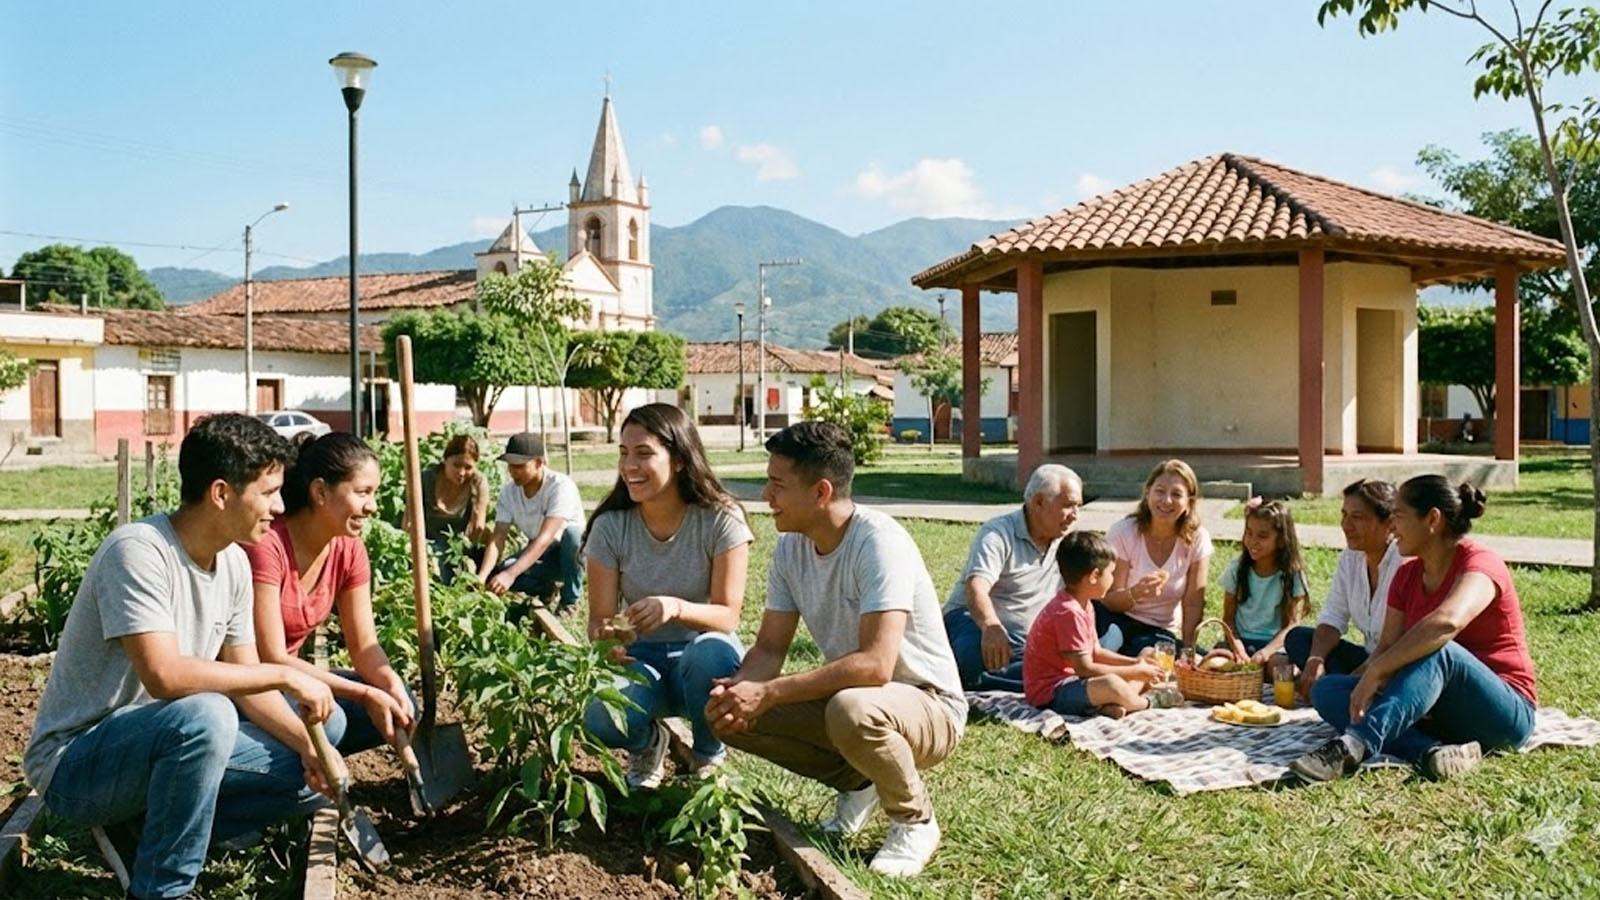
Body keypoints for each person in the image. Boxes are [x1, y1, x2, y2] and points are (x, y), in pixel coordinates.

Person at [22, 414, 337, 900]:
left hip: (161, 746)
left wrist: (312, 747)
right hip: (79, 764)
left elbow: (249, 684)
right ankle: (161, 888)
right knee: (207, 714)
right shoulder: (139, 552)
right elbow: (165, 675)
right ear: (220, 493)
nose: (278, 506)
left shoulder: (232, 559)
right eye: (269, 491)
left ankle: (142, 830)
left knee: (320, 745)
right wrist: (286, 676)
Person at [706, 421, 964, 878]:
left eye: (778, 485)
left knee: (852, 709)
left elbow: (877, 665)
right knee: (733, 718)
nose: (766, 495)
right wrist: (740, 693)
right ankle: (860, 781)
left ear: (821, 491)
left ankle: (913, 820)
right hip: (857, 699)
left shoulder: (878, 542)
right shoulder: (790, 549)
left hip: (927, 705)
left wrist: (770, 694)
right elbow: (768, 648)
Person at [1290, 476, 1537, 783]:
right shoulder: (1407, 574)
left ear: (1432, 519)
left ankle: (1352, 746)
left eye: (1399, 515)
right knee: (1328, 691)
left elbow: (1447, 622)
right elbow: (1386, 646)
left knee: (1439, 647)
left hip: (1503, 714)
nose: (1391, 525)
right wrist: (1365, 678)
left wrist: (1377, 670)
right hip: (1439, 712)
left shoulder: (1481, 563)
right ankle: (1432, 752)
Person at [580, 404, 751, 789]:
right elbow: (599, 619)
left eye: (643, 453)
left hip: (701, 662)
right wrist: (608, 637)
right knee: (598, 717)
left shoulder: (721, 519)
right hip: (642, 662)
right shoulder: (611, 527)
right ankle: (647, 743)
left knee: (710, 652)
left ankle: (707, 754)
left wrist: (674, 608)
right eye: (624, 453)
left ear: (678, 459)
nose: (629, 466)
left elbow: (728, 616)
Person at [244, 432, 415, 759]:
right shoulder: (268, 546)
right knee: (332, 718)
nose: (373, 506)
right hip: (255, 686)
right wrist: (365, 694)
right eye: (363, 492)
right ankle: (303, 765)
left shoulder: (349, 550)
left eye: (374, 493)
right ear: (320, 492)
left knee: (401, 702)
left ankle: (314, 760)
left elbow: (365, 646)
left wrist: (388, 683)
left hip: (291, 683)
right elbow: (272, 656)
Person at [942, 464, 1082, 693]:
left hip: (1028, 639)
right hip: (976, 622)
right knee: (973, 660)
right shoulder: (998, 533)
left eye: (1078, 506)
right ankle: (1062, 682)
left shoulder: (1067, 540)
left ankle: (1056, 679)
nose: (1075, 515)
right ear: (1038, 502)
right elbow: (976, 585)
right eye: (1067, 506)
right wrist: (991, 626)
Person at [1023, 531, 1172, 718]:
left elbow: (1097, 653)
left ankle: (1112, 704)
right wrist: (1134, 671)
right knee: (1111, 683)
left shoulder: (1085, 604)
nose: (1112, 579)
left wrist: (1136, 663)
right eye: (1111, 573)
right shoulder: (1068, 611)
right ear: (1094, 576)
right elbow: (1085, 669)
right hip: (1052, 692)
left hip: (1076, 683)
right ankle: (1147, 702)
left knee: (1147, 654)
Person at [1285, 479, 1405, 699]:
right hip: (1366, 657)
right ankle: (1339, 687)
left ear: (1389, 523)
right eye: (1344, 515)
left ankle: (1343, 689)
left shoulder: (1404, 562)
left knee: (1335, 688)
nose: (1346, 525)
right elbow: (1333, 616)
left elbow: (1398, 642)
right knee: (1298, 639)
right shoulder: (1350, 558)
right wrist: (1315, 661)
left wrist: (1366, 672)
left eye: (1357, 517)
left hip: (1395, 664)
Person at [1096, 459, 1214, 654]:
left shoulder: (1197, 539)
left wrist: (1188, 649)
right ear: (1148, 492)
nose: (1166, 500)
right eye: (1160, 491)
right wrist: (1136, 592)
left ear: (1189, 502)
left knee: (1163, 656)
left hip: (1157, 630)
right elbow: (1109, 599)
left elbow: (1193, 602)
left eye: (1176, 494)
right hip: (1114, 619)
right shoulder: (1123, 533)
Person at [477, 432, 586, 609]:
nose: (513, 471)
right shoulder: (508, 492)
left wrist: (511, 574)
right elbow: (498, 538)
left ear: (539, 462)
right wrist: (482, 577)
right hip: (540, 553)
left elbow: (546, 538)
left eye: (519, 466)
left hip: (570, 555)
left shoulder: (560, 486)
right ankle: (545, 589)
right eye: (510, 466)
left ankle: (570, 602)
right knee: (501, 572)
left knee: (574, 536)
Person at [1219, 499, 1309, 663]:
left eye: (1262, 536)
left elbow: (1292, 624)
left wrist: (1265, 653)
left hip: (1274, 645)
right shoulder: (1237, 569)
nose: (1253, 541)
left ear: (1281, 540)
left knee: (1281, 668)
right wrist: (1239, 649)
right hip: (1240, 642)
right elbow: (1228, 619)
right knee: (1216, 662)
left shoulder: (1292, 574)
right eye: (1249, 532)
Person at [416, 432, 490, 582]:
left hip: (458, 546)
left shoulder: (478, 483)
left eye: (468, 467)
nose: (462, 473)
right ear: (445, 460)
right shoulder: (426, 479)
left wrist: (461, 556)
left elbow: (477, 528)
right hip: (426, 543)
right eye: (456, 465)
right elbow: (409, 522)